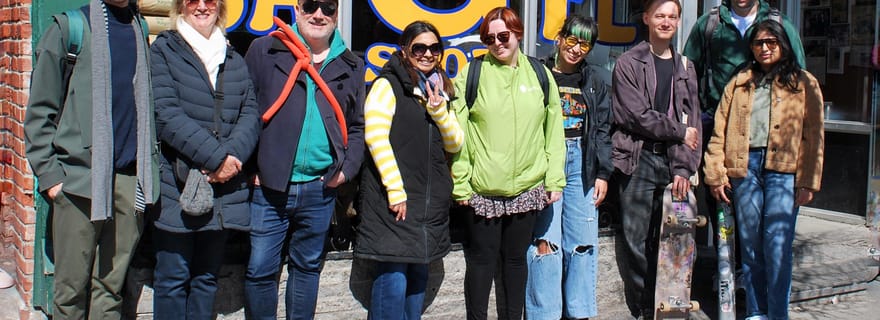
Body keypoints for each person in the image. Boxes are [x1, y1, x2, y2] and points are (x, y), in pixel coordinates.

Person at [24, 0, 158, 318]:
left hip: (129, 180)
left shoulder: (139, 28)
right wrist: (51, 177)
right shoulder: (68, 29)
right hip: (78, 183)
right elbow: (39, 111)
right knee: (70, 293)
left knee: (110, 291)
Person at [242, 0, 366, 319]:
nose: (318, 14)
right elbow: (243, 111)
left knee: (307, 269)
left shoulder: (351, 64)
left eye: (327, 7)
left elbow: (356, 125)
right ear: (297, 9)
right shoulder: (266, 50)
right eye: (311, 5)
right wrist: (251, 167)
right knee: (260, 271)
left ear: (337, 14)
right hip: (270, 186)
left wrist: (346, 170)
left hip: (319, 188)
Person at [704, 20, 824, 320]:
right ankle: (757, 312)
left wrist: (808, 180)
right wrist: (716, 173)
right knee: (751, 245)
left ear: (783, 44)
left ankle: (777, 313)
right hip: (744, 170)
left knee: (777, 244)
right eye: (759, 43)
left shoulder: (803, 82)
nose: (765, 48)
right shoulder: (740, 81)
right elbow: (719, 129)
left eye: (772, 42)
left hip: (783, 171)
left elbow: (814, 136)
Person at [450, 6, 565, 320]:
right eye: (489, 38)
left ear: (518, 34)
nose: (497, 43)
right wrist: (461, 183)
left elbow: (553, 130)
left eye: (504, 36)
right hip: (482, 190)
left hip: (527, 187)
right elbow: (458, 136)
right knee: (481, 262)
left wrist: (554, 179)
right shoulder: (471, 74)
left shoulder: (540, 75)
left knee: (516, 262)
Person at [148, 0, 261, 318]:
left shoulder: (233, 57)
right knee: (172, 280)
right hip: (178, 185)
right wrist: (216, 159)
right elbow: (165, 113)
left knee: (206, 280)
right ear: (179, 7)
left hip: (222, 192)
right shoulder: (164, 51)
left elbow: (250, 112)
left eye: (210, 0)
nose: (201, 6)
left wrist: (233, 158)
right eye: (192, 0)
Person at [356, 20, 464, 320]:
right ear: (404, 51)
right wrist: (395, 189)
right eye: (419, 47)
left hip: (426, 206)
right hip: (396, 205)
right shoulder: (386, 85)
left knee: (417, 284)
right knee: (392, 282)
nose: (427, 54)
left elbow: (455, 143)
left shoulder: (439, 90)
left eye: (434, 48)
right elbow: (375, 137)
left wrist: (439, 110)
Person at [683, 0, 806, 256]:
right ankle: (726, 272)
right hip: (719, 128)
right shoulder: (710, 24)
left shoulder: (780, 24)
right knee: (722, 203)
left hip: (766, 136)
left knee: (764, 218)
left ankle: (755, 278)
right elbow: (688, 74)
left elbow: (800, 80)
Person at [610, 0, 701, 318]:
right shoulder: (628, 63)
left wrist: (683, 167)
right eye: (660, 15)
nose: (666, 21)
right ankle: (644, 305)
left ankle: (669, 304)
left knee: (675, 239)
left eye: (672, 16)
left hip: (671, 161)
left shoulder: (686, 67)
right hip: (638, 158)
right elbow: (635, 116)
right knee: (636, 237)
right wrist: (679, 131)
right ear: (646, 18)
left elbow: (694, 122)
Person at [524, 15, 611, 320]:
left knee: (582, 243)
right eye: (571, 40)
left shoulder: (595, 80)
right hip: (547, 161)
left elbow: (602, 129)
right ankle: (543, 313)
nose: (576, 49)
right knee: (545, 242)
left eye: (584, 43)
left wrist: (603, 173)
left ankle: (579, 311)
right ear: (559, 38)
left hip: (582, 163)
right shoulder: (538, 74)